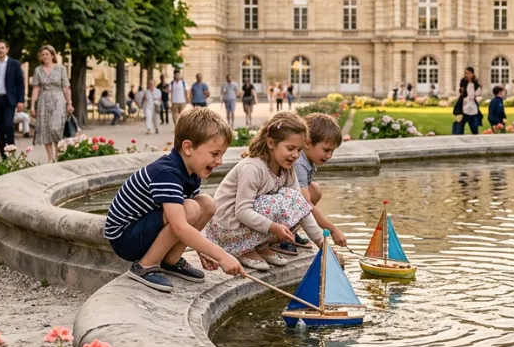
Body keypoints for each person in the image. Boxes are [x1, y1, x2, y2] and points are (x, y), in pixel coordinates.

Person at [103, 108, 243, 292]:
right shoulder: (166, 173)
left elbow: (189, 221)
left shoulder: (190, 171)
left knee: (206, 203)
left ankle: (171, 260)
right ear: (188, 148)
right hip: (125, 238)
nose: (219, 161)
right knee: (191, 208)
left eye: (221, 155)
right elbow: (179, 225)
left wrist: (201, 249)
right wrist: (222, 256)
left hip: (143, 230)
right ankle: (144, 267)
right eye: (214, 154)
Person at [205, 112, 325, 271]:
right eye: (290, 148)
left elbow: (301, 206)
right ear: (271, 143)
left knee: (295, 201)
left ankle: (260, 246)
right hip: (227, 227)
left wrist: (320, 241)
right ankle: (243, 250)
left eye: (299, 150)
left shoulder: (287, 169)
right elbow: (242, 211)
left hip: (247, 224)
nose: (295, 155)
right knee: (280, 202)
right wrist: (273, 227)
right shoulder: (253, 168)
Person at [274, 113, 349, 256]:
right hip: (275, 204)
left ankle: (291, 231)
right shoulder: (299, 164)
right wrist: (333, 230)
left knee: (314, 189)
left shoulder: (308, 161)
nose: (329, 156)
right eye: (326, 150)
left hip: (288, 202)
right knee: (306, 197)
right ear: (307, 143)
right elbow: (305, 205)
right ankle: (283, 238)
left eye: (332, 151)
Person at [28, 45, 73, 163]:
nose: (45, 56)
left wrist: (69, 103)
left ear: (52, 55)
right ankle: (50, 158)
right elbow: (36, 89)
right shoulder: (38, 70)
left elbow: (66, 87)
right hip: (43, 101)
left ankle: (58, 154)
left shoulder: (61, 69)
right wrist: (32, 106)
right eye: (42, 55)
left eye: (47, 54)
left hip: (58, 100)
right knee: (45, 129)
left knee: (55, 128)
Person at [452, 67, 483, 135]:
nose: (467, 75)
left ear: (472, 74)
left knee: (474, 129)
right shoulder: (463, 81)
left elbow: (477, 94)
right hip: (463, 108)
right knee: (458, 128)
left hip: (473, 108)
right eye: (466, 73)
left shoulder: (476, 84)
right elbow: (462, 92)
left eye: (468, 73)